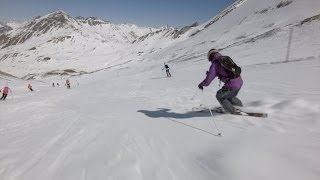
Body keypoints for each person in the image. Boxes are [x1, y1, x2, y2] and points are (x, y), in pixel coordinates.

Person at [198, 49, 243, 114]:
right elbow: (225, 71)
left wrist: (202, 84)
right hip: (239, 81)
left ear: (210, 57)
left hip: (232, 84)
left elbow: (208, 80)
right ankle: (241, 108)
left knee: (220, 96)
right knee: (230, 96)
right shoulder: (225, 58)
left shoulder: (215, 64)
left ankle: (233, 111)